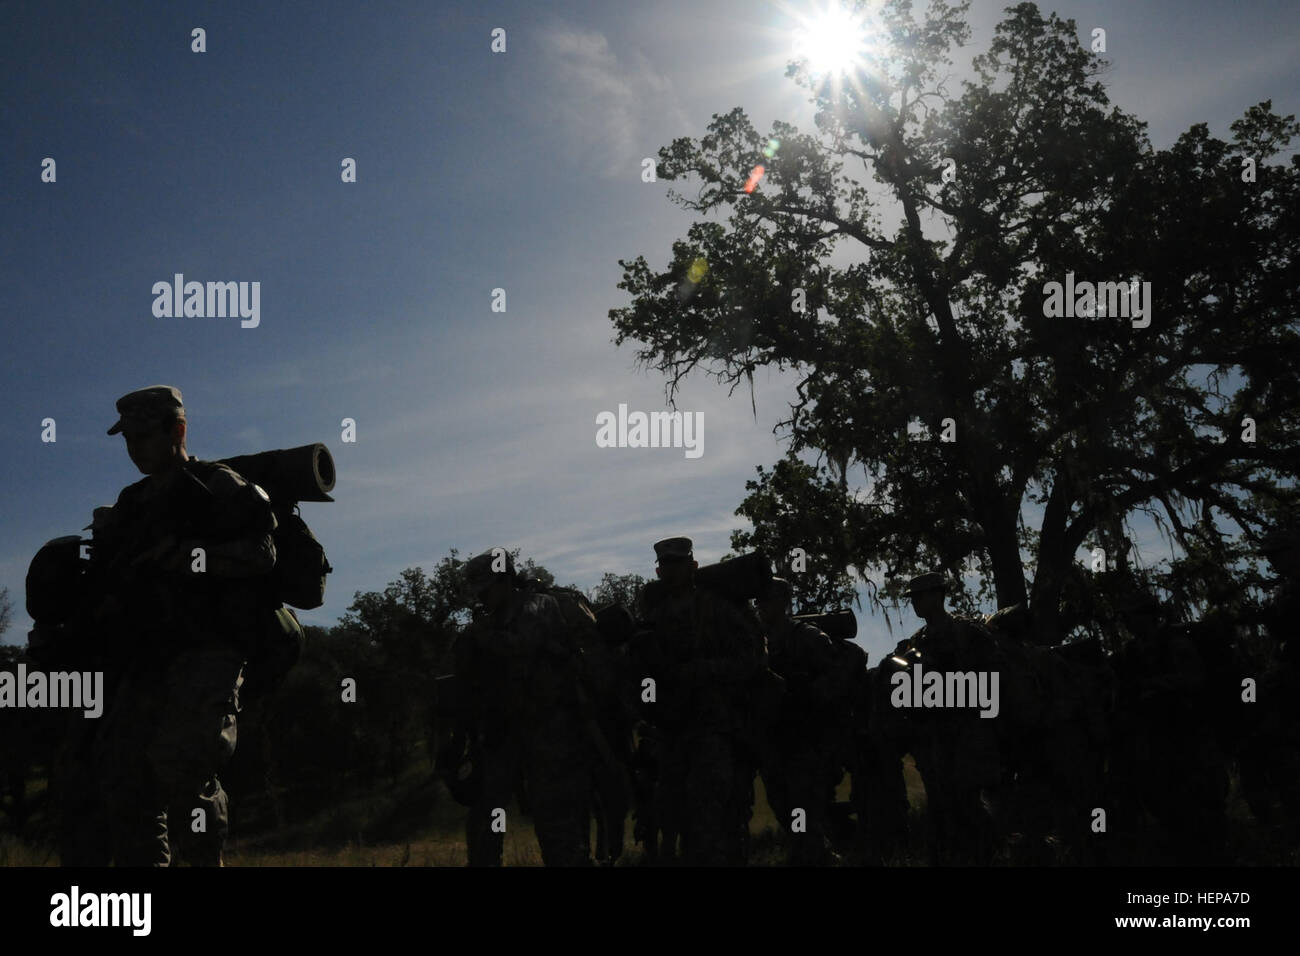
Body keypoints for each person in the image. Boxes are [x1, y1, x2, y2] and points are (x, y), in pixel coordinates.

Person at [90, 385, 276, 866]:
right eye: (127, 439)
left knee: (185, 768)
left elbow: (263, 553)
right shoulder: (132, 501)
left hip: (208, 650)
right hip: (146, 653)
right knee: (125, 774)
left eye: (143, 436)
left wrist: (190, 558)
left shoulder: (216, 485)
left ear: (178, 430)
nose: (133, 449)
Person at [456, 549, 593, 866]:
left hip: (549, 735)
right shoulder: (490, 621)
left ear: (505, 582)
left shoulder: (537, 606)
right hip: (505, 735)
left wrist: (478, 636)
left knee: (557, 830)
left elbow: (519, 645)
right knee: (485, 823)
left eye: (486, 589)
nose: (481, 598)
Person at [637, 537, 768, 865]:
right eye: (665, 565)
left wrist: (701, 671)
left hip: (715, 728)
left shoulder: (716, 607)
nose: (670, 570)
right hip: (671, 731)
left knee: (713, 814)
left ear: (692, 566)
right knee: (673, 814)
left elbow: (753, 657)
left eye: (677, 564)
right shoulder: (655, 615)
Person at [755, 577, 845, 864]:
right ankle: (811, 850)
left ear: (783, 602)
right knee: (781, 802)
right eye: (759, 600)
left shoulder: (807, 637)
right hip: (773, 737)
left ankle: (815, 854)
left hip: (804, 737)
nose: (761, 606)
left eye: (767, 600)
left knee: (803, 804)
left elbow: (833, 682)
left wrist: (802, 694)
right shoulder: (757, 641)